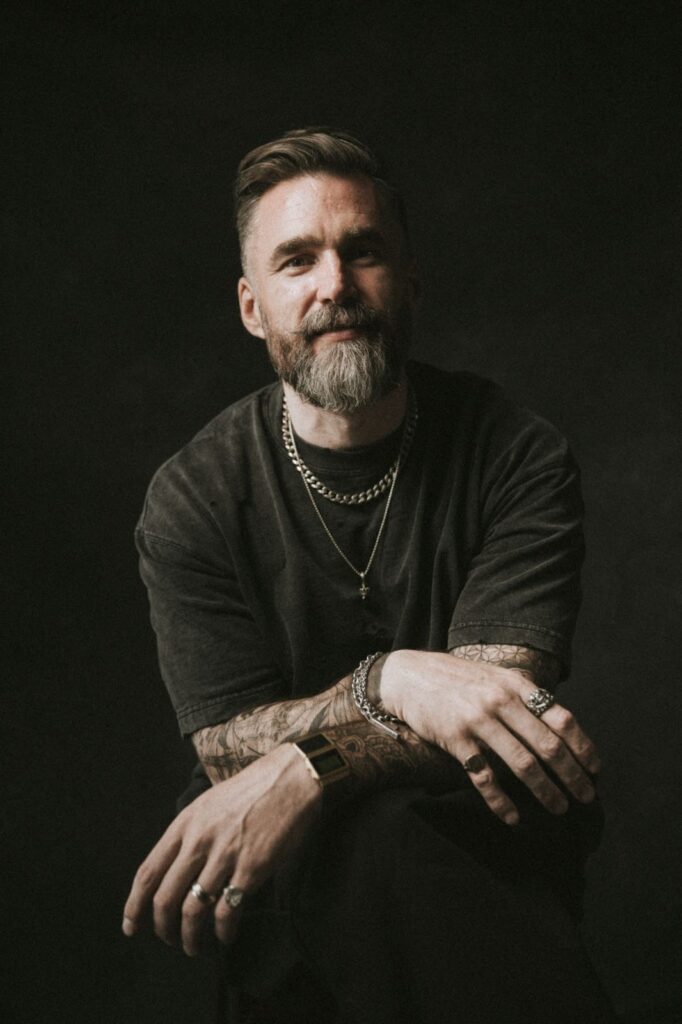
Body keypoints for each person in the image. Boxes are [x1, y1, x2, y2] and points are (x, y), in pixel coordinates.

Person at [122, 127, 615, 1023]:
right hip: (286, 884)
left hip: (478, 853)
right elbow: (225, 744)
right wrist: (395, 681)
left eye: (364, 251)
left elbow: (496, 715)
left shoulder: (515, 452)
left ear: (410, 281)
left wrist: (306, 769)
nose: (335, 285)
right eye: (297, 260)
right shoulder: (190, 497)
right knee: (352, 849)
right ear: (251, 307)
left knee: (388, 838)